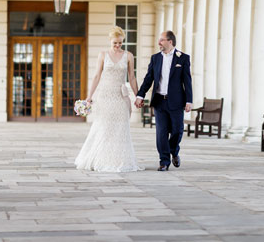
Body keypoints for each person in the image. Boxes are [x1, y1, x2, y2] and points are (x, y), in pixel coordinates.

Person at [75, 26, 143, 172]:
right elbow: (97, 76)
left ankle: (118, 160)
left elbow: (131, 77)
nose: (118, 46)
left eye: (120, 43)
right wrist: (89, 97)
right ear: (110, 41)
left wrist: (138, 96)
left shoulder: (129, 56)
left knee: (120, 129)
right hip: (105, 95)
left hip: (120, 96)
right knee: (103, 127)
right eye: (115, 43)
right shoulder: (103, 55)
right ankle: (101, 159)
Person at [135, 30, 192, 171]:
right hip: (159, 101)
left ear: (170, 41)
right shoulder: (155, 58)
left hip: (177, 102)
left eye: (162, 40)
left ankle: (174, 151)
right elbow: (148, 79)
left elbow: (187, 80)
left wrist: (189, 100)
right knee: (161, 133)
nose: (159, 42)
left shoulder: (183, 58)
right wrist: (140, 95)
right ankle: (164, 161)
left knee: (177, 131)